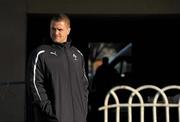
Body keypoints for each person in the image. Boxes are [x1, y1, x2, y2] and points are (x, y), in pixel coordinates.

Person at [26, 14, 89, 122]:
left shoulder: (77, 55)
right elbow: (35, 85)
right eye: (53, 29)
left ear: (68, 30)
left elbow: (84, 85)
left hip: (78, 118)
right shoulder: (40, 53)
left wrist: (83, 110)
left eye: (60, 29)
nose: (56, 33)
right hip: (53, 119)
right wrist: (51, 112)